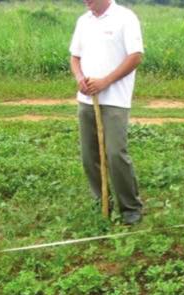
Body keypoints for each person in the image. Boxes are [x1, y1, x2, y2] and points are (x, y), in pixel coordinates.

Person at [69, 0, 144, 225]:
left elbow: (135, 56)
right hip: (86, 100)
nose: (86, 1)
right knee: (89, 155)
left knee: (115, 154)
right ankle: (101, 201)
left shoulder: (125, 18)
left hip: (115, 100)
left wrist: (105, 81)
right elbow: (75, 57)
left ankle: (131, 208)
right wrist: (80, 78)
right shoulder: (83, 21)